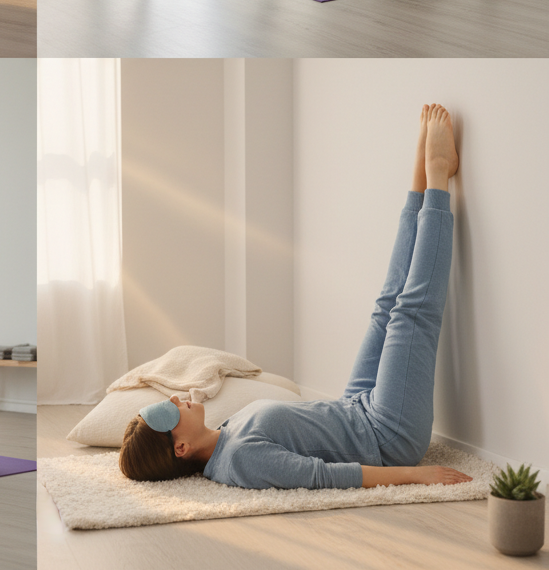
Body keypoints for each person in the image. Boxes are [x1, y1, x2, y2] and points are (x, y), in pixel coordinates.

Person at [119, 104, 475, 491]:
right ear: (181, 448)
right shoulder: (240, 461)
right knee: (411, 314)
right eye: (167, 415)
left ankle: (419, 183)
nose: (173, 401)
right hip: (385, 436)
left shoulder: (224, 436)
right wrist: (415, 474)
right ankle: (438, 172)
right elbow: (322, 476)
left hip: (353, 408)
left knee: (386, 307)